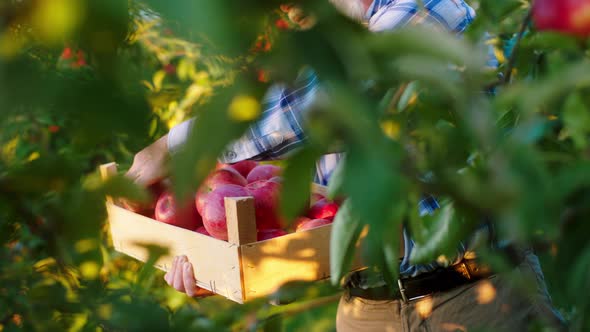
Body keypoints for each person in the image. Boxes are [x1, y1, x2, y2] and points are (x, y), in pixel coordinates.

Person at [127, 1, 566, 330]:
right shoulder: (331, 54)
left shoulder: (428, 10)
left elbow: (326, 111)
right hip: (365, 313)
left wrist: (177, 145)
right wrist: (233, 266)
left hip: (477, 300)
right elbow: (319, 216)